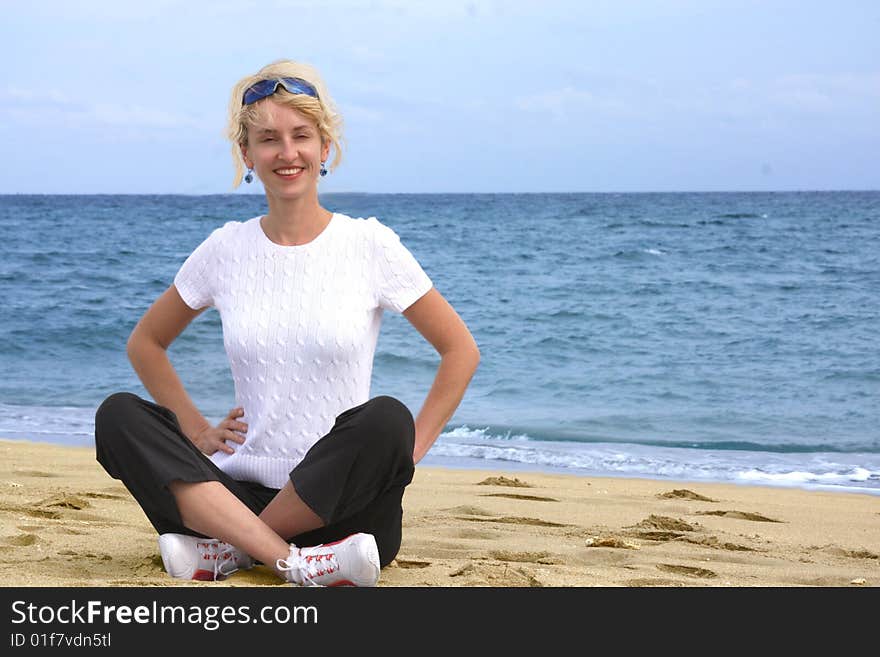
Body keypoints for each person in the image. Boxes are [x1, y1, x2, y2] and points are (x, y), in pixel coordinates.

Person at [93, 60, 480, 587]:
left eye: (302, 136)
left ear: (325, 148)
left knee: (386, 417)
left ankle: (229, 553)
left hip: (346, 512)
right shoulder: (225, 249)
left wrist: (404, 458)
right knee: (118, 416)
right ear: (247, 154)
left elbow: (460, 351)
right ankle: (286, 561)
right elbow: (147, 342)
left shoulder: (370, 245)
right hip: (232, 495)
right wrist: (198, 430)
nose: (287, 152)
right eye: (268, 139)